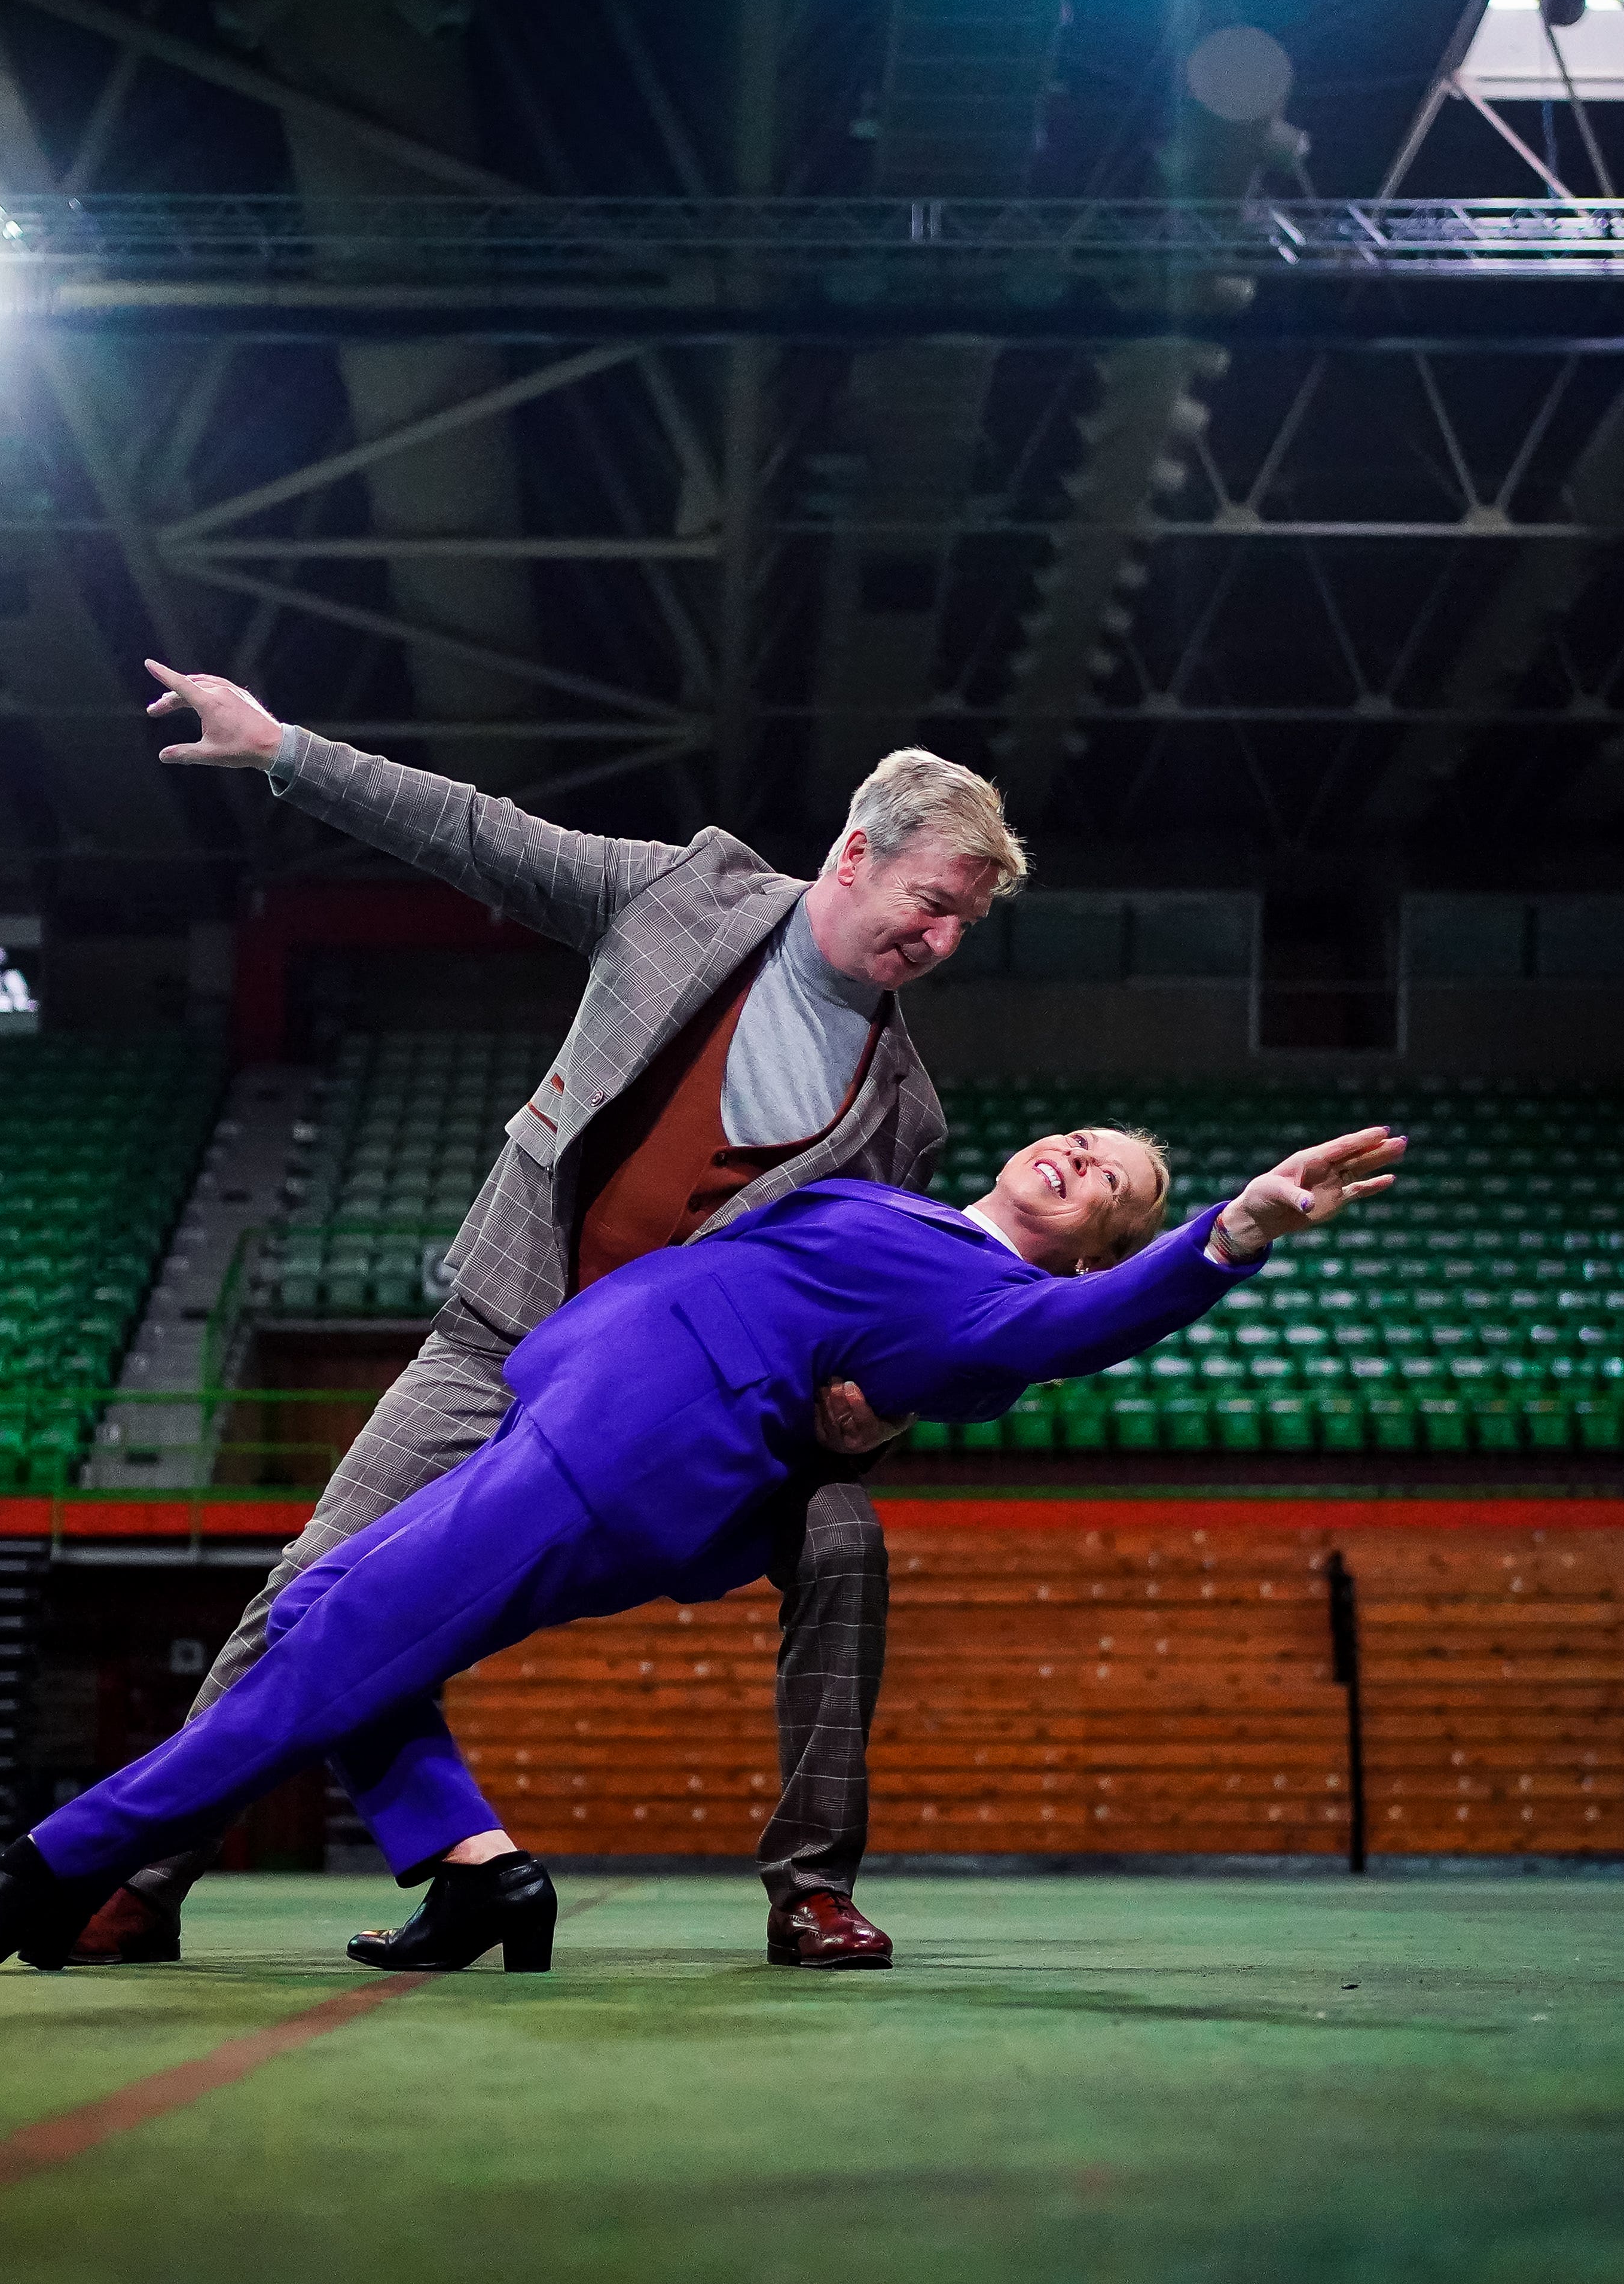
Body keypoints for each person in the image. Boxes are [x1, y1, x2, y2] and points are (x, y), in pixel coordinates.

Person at [0, 1121, 1403, 1977]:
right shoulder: (902, 1209)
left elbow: (1092, 1328)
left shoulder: (1000, 1308)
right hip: (565, 1418)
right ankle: (482, 1873)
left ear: (1097, 1244)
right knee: (328, 1619)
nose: (1081, 1160)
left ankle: (38, 1867)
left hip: (626, 1465)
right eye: (1082, 1142)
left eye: (1114, 1187)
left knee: (324, 1658)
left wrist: (1224, 1233)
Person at [74, 661, 1022, 1974]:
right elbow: (474, 831)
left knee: (844, 1535)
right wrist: (284, 745)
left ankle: (812, 1887)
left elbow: (859, 1326)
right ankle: (143, 1879)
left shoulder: (902, 1112)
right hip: (499, 1339)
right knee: (308, 1585)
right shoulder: (681, 893)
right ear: (856, 854)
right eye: (933, 906)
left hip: (686, 1429)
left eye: (967, 924)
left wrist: (865, 1420)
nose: (944, 943)